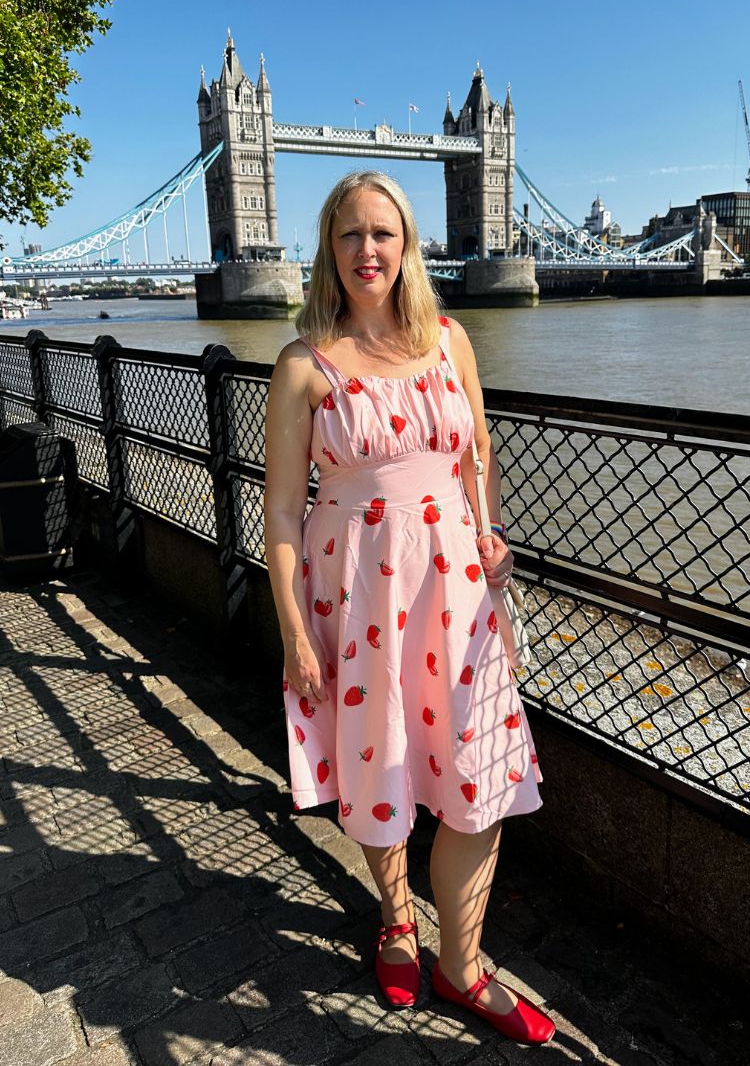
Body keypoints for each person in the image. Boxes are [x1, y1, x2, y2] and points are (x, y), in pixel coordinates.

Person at [263, 171, 554, 1045]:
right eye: (349, 235)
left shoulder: (452, 340)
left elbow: (479, 449)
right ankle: (394, 916)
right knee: (380, 763)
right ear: (329, 249)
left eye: (383, 234)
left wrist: (488, 528)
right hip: (355, 598)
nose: (367, 251)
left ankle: (462, 966)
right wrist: (292, 634)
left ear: (408, 245)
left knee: (481, 779)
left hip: (458, 593)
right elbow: (279, 513)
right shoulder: (303, 365)